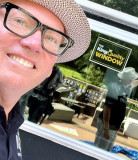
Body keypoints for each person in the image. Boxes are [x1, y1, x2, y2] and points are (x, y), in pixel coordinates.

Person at [0, 0, 91, 159]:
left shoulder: (12, 121)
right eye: (20, 21)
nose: (35, 44)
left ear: (50, 69)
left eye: (51, 39)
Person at [94, 67, 138, 151]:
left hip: (114, 126)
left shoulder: (127, 87)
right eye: (132, 79)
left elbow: (134, 84)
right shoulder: (115, 88)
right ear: (127, 79)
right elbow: (107, 108)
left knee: (107, 149)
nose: (133, 80)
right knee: (99, 149)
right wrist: (106, 129)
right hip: (107, 125)